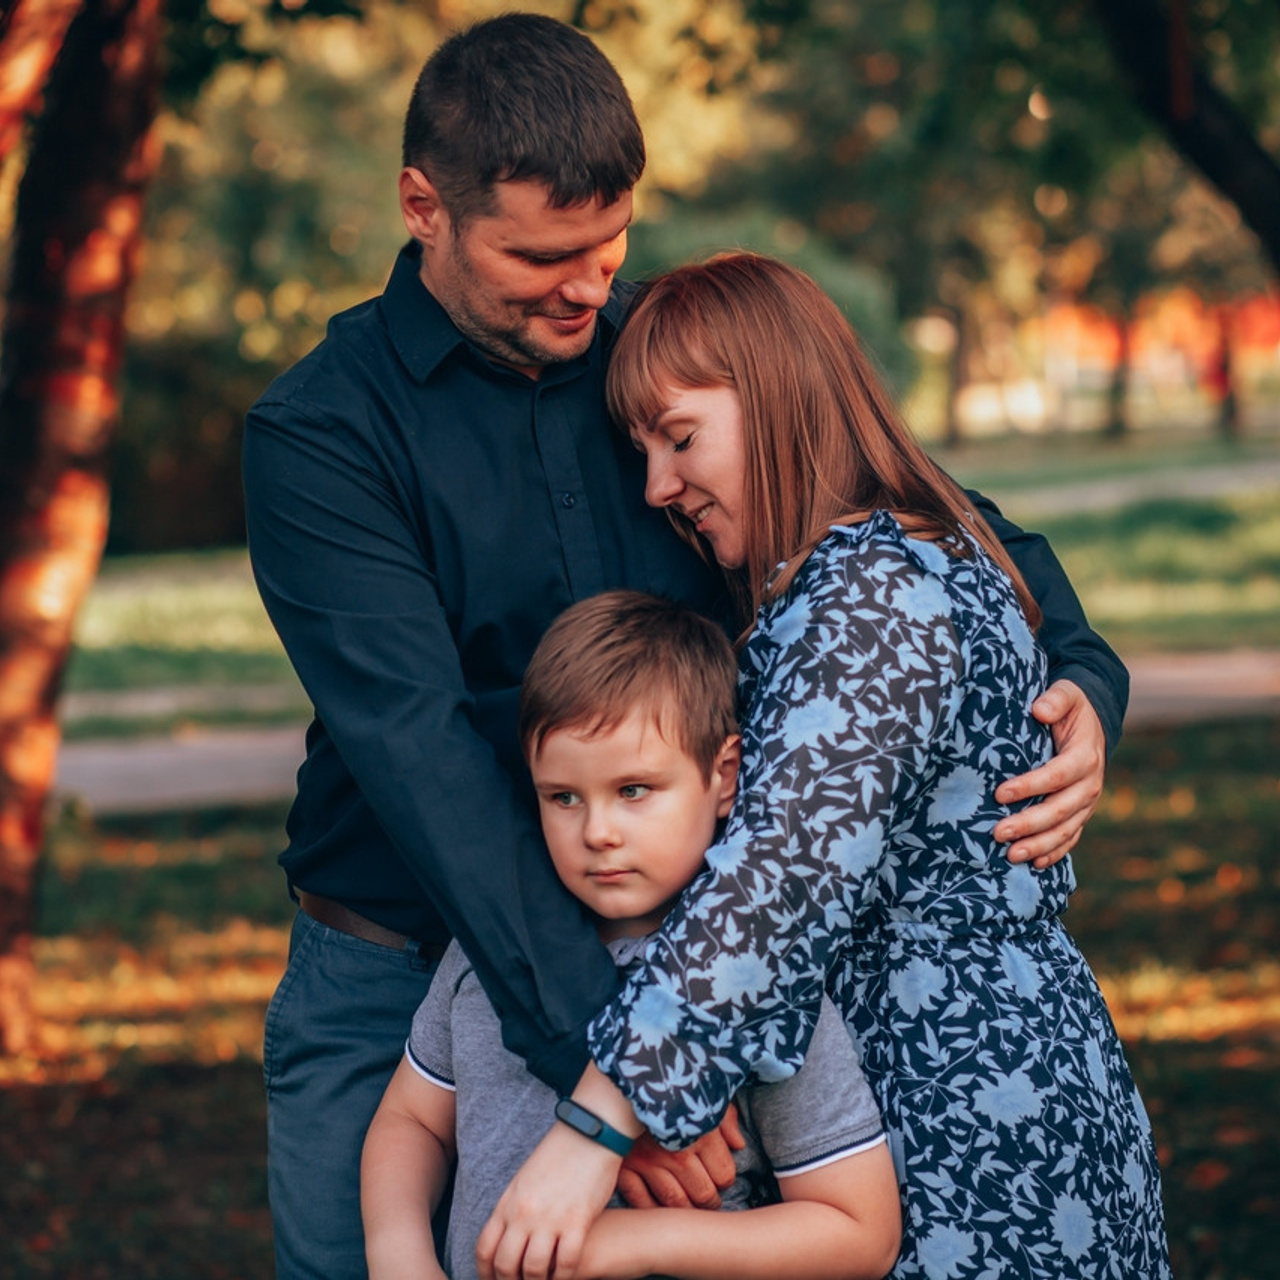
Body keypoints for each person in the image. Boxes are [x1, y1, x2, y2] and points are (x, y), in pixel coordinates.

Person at [242, 14, 1127, 1279]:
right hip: (405, 964)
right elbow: (424, 758)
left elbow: (938, 516)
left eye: (609, 246)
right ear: (421, 207)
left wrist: (1084, 681)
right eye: (541, 255)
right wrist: (618, 1067)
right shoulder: (320, 434)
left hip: (694, 955)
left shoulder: (671, 357)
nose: (587, 287)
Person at [479, 254, 1171, 1280]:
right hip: (973, 1073)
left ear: (774, 399)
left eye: (678, 438)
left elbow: (777, 877)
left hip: (958, 1113)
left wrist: (592, 1128)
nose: (658, 487)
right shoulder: (892, 557)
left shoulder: (870, 603)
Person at [361, 591, 902, 1280]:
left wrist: (638, 1243)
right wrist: (397, 1253)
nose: (598, 831)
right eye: (563, 796)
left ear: (724, 776)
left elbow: (860, 1231)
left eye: (636, 789)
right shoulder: (485, 957)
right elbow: (412, 1122)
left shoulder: (758, 985)